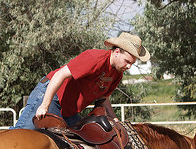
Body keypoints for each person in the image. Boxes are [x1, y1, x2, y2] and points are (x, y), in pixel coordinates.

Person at [11, 32, 150, 130]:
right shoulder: (95, 59)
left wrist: (114, 119)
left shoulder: (117, 74)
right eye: (127, 61)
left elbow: (103, 97)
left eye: (132, 63)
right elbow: (59, 75)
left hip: (70, 110)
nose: (129, 66)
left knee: (77, 145)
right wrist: (44, 106)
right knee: (23, 134)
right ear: (117, 52)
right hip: (52, 96)